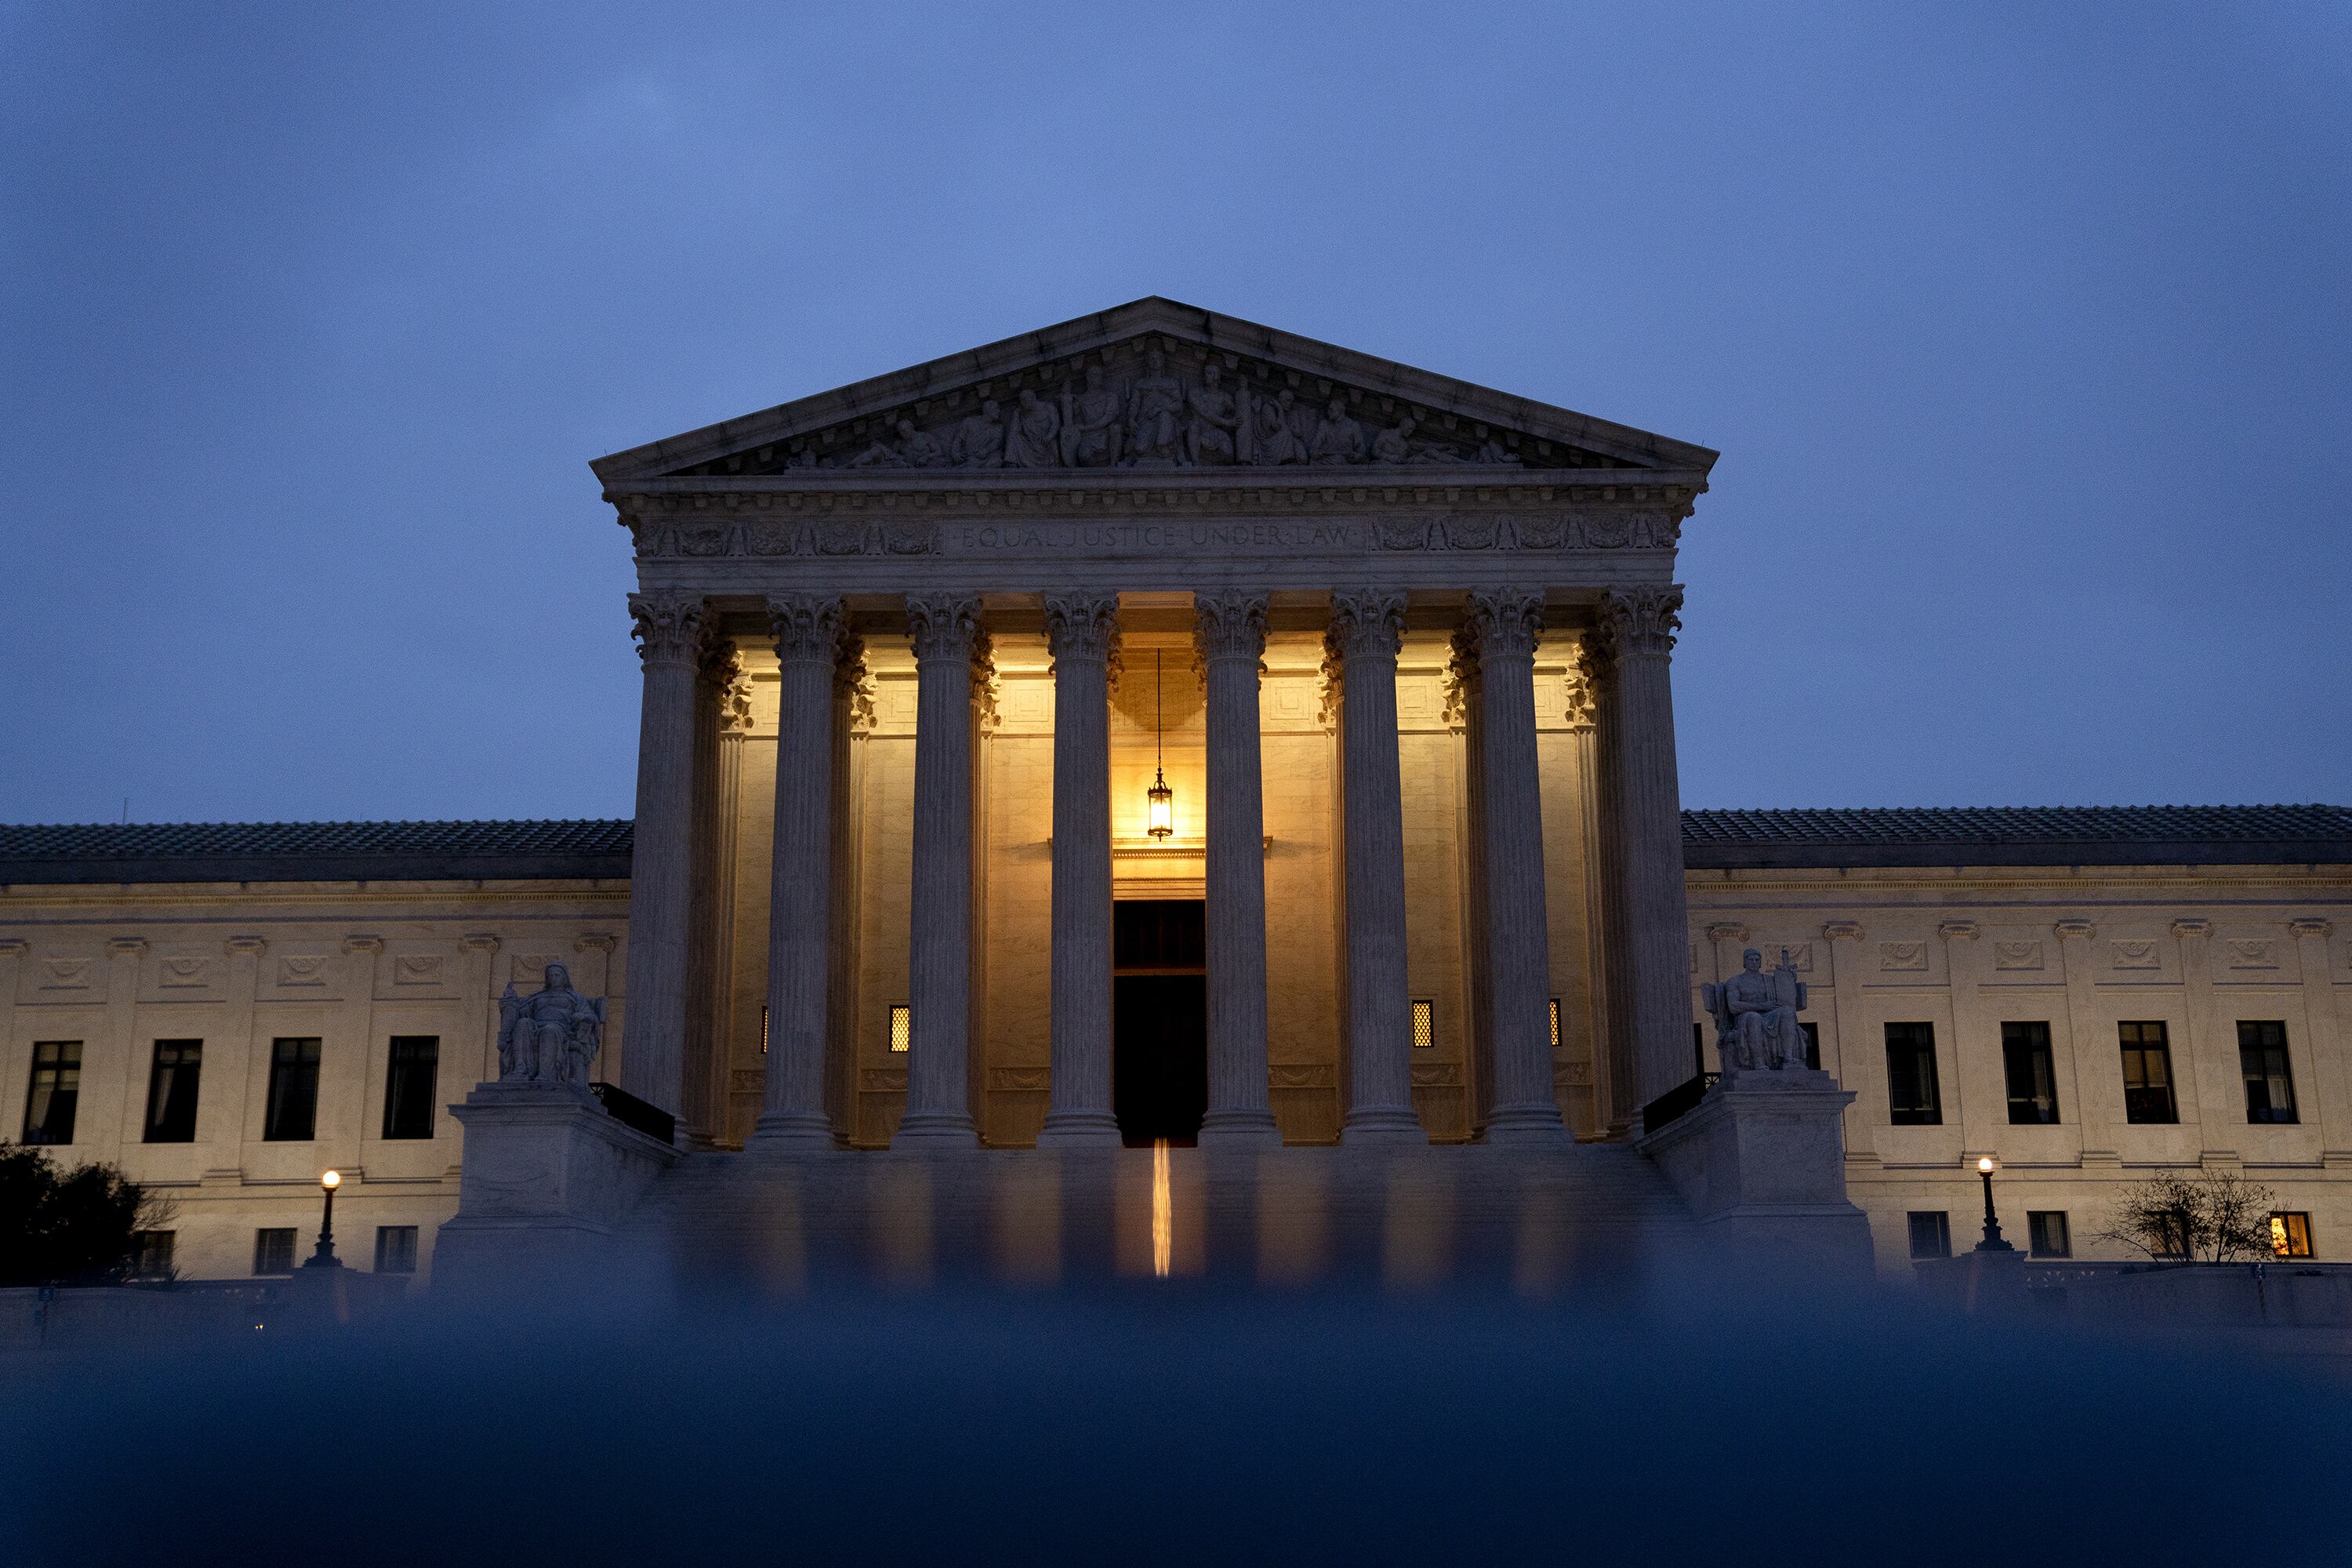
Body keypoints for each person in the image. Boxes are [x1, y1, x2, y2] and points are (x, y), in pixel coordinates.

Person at [497, 961, 605, 1088]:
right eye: (551, 976)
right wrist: (511, 999)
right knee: (522, 1024)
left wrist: (583, 1016)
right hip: (536, 1025)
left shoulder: (575, 997)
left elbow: (590, 1015)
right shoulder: (537, 996)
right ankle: (521, 1069)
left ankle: (546, 1073)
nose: (553, 979)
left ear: (564, 977)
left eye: (557, 975)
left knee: (549, 1030)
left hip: (563, 1030)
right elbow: (521, 1011)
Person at [1003, 388, 1061, 468]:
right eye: (1021, 401)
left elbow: (1055, 424)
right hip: (1030, 443)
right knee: (1014, 436)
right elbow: (1014, 431)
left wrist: (1048, 437)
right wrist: (1016, 414)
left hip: (1045, 443)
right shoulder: (1023, 414)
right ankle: (1012, 463)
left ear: (1033, 398)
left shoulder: (1048, 407)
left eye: (1024, 400)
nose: (1022, 403)